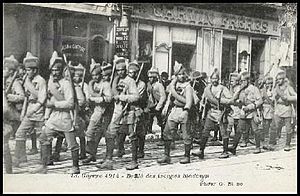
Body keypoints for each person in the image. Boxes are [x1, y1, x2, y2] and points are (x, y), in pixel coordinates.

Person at [36, 51, 80, 174]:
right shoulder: (50, 83)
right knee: (44, 138)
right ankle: (44, 165)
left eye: (57, 70)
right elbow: (49, 102)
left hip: (66, 117)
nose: (55, 72)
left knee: (72, 144)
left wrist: (55, 104)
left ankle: (75, 167)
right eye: (53, 70)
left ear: (61, 71)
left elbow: (70, 103)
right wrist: (46, 116)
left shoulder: (66, 84)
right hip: (54, 117)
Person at [98, 56, 140, 170]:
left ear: (125, 69)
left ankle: (134, 161)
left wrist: (122, 97)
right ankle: (108, 160)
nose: (120, 72)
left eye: (122, 70)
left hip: (128, 111)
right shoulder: (115, 80)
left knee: (132, 135)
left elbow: (136, 97)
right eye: (117, 70)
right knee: (110, 134)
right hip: (117, 111)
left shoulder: (130, 81)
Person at [14, 52, 47, 167]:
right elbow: (27, 98)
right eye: (26, 70)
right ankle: (20, 158)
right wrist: (24, 112)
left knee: (42, 137)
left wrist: (34, 109)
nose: (26, 72)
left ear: (34, 70)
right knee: (19, 133)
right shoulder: (26, 80)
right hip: (29, 110)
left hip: (39, 112)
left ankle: (44, 161)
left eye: (28, 70)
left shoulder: (41, 81)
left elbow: (42, 98)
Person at [192, 68, 234, 159]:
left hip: (221, 113)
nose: (214, 80)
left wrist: (220, 101)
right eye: (213, 78)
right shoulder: (208, 88)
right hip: (211, 113)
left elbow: (231, 100)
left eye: (216, 78)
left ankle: (225, 151)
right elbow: (204, 99)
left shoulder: (223, 88)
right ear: (210, 79)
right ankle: (201, 151)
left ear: (218, 79)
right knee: (205, 131)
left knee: (224, 132)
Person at [157, 62, 194, 164]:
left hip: (183, 111)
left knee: (186, 134)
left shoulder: (188, 86)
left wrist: (186, 111)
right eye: (179, 74)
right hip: (174, 110)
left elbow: (189, 101)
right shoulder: (173, 85)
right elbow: (170, 96)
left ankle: (187, 156)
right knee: (167, 132)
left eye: (183, 74)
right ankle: (166, 155)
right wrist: (165, 107)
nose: (181, 76)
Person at [83, 59, 113, 165]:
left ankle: (108, 158)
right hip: (96, 111)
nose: (95, 77)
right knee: (90, 132)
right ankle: (91, 154)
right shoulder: (92, 84)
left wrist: (97, 99)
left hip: (105, 112)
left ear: (100, 74)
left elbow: (109, 98)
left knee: (107, 134)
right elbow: (89, 96)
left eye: (97, 75)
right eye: (93, 75)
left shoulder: (105, 84)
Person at [231, 71, 263, 154]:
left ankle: (258, 147)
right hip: (243, 112)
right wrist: (239, 91)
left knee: (255, 130)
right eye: (240, 81)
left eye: (243, 81)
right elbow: (233, 99)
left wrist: (250, 106)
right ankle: (233, 147)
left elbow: (260, 101)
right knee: (239, 129)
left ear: (248, 80)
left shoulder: (254, 89)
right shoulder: (240, 89)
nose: (241, 82)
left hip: (252, 112)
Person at [266, 69, 297, 151]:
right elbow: (272, 98)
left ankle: (287, 144)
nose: (278, 81)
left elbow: (296, 97)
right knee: (273, 126)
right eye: (277, 79)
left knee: (288, 128)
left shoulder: (288, 87)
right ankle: (271, 143)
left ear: (283, 79)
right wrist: (272, 95)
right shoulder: (276, 88)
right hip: (278, 109)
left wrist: (288, 98)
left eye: (280, 79)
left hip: (287, 110)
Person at [3, 55, 24, 173]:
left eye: (7, 69)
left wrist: (9, 97)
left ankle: (10, 167)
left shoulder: (15, 82)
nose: (5, 71)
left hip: (10, 112)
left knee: (7, 141)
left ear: (11, 71)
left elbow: (21, 96)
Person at [145, 67, 167, 139]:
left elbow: (163, 96)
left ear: (155, 78)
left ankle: (163, 137)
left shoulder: (159, 85)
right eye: (149, 77)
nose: (150, 79)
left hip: (158, 105)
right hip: (151, 105)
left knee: (161, 122)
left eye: (151, 77)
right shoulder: (148, 85)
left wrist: (159, 106)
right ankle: (149, 133)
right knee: (149, 120)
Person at [260, 76, 274, 149]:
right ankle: (265, 140)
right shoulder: (263, 91)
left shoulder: (274, 90)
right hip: (265, 109)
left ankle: (271, 141)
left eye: (271, 83)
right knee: (265, 125)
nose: (270, 85)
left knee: (271, 125)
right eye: (268, 83)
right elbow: (260, 100)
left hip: (272, 109)